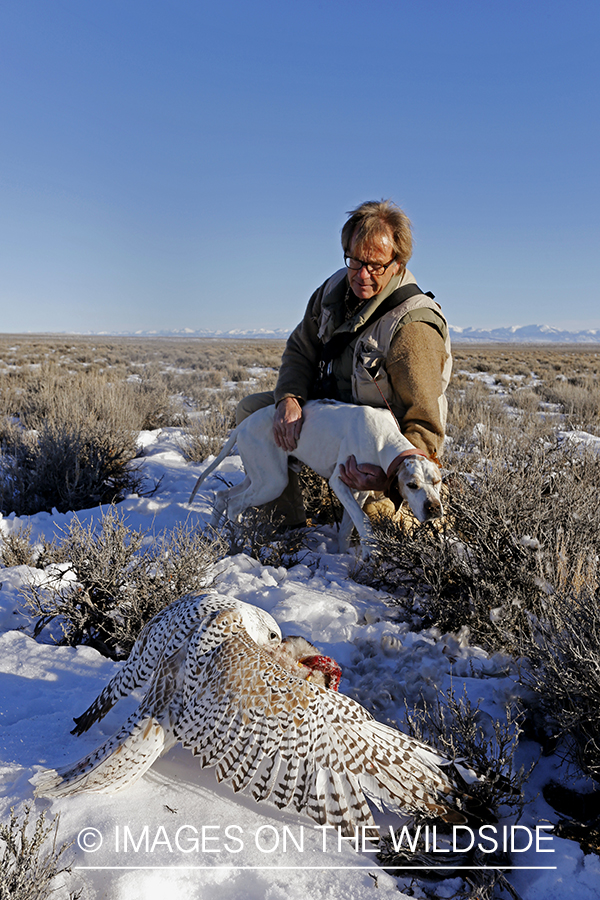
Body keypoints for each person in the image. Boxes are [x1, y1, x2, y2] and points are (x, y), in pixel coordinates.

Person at [236, 199, 452, 527]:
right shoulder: (334, 289)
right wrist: (290, 398)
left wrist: (386, 476)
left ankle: (385, 510)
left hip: (377, 445)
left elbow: (424, 422)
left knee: (379, 536)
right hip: (336, 413)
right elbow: (300, 349)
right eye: (355, 260)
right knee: (254, 412)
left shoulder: (413, 327)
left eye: (376, 265)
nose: (362, 274)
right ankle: (283, 523)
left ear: (398, 262)